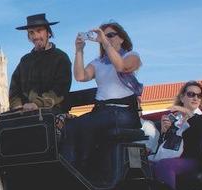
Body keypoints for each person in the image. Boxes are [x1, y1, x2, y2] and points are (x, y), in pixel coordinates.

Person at [61, 21, 143, 172]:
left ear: (121, 38)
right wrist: (79, 50)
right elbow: (80, 76)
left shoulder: (132, 56)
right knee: (69, 126)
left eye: (111, 35)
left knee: (83, 125)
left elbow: (121, 66)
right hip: (102, 111)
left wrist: (105, 43)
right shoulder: (99, 62)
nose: (107, 38)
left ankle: (82, 168)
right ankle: (72, 169)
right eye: (104, 36)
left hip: (123, 111)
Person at [151, 80, 202, 190]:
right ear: (182, 97)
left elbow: (199, 129)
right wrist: (164, 131)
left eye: (199, 95)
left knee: (165, 165)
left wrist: (185, 111)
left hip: (193, 160)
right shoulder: (176, 118)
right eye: (191, 94)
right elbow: (166, 144)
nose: (195, 98)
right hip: (171, 156)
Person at [7, 13, 72, 112]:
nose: (35, 36)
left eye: (39, 31)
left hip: (52, 109)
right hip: (25, 111)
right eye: (31, 33)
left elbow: (60, 89)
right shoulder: (25, 60)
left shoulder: (61, 57)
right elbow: (14, 89)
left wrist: (37, 104)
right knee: (1, 122)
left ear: (48, 33)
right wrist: (17, 106)